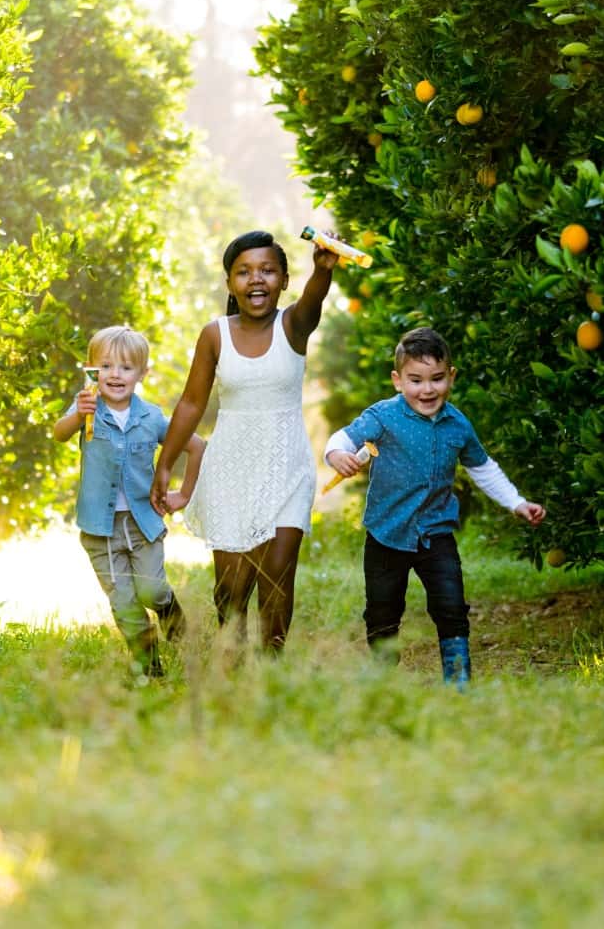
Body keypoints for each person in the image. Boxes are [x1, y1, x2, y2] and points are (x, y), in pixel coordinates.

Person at [149, 230, 338, 653]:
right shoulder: (215, 335)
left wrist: (322, 271)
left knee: (277, 574)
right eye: (244, 272)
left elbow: (313, 302)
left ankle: (270, 670)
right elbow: (190, 404)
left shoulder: (293, 325)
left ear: (284, 280)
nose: (257, 280)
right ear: (230, 283)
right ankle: (230, 665)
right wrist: (166, 465)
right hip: (231, 469)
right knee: (231, 592)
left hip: (287, 466)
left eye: (268, 271)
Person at [324, 327, 545, 687]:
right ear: (398, 381)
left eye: (437, 379)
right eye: (415, 380)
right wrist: (336, 453)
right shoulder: (382, 416)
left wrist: (517, 503)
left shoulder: (457, 424)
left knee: (451, 606)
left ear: (451, 377)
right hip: (386, 533)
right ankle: (382, 683)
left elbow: (482, 468)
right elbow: (344, 436)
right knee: (382, 612)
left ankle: (458, 683)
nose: (427, 390)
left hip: (436, 533)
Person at [53, 326, 204, 678]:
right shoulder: (87, 409)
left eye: (125, 367)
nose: (115, 375)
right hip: (100, 529)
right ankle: (150, 670)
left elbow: (196, 445)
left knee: (150, 589)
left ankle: (169, 611)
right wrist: (76, 414)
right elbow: (60, 433)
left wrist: (183, 493)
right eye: (106, 366)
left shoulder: (151, 417)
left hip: (143, 525)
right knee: (123, 602)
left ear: (142, 374)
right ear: (91, 370)